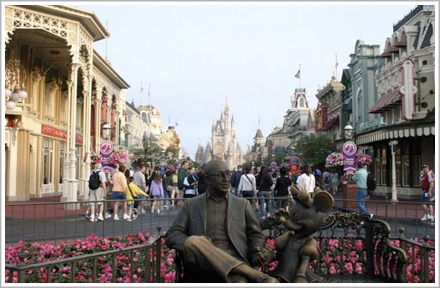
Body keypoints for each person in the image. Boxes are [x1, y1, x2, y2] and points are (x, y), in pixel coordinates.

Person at [165, 159, 278, 283]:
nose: (226, 179)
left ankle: (244, 271)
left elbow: (255, 233)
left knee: (239, 282)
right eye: (219, 175)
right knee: (193, 241)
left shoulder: (242, 204)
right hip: (202, 263)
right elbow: (173, 235)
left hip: (235, 258)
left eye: (227, 174)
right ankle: (252, 274)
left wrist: (256, 248)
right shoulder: (191, 205)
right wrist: (194, 244)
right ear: (207, 179)